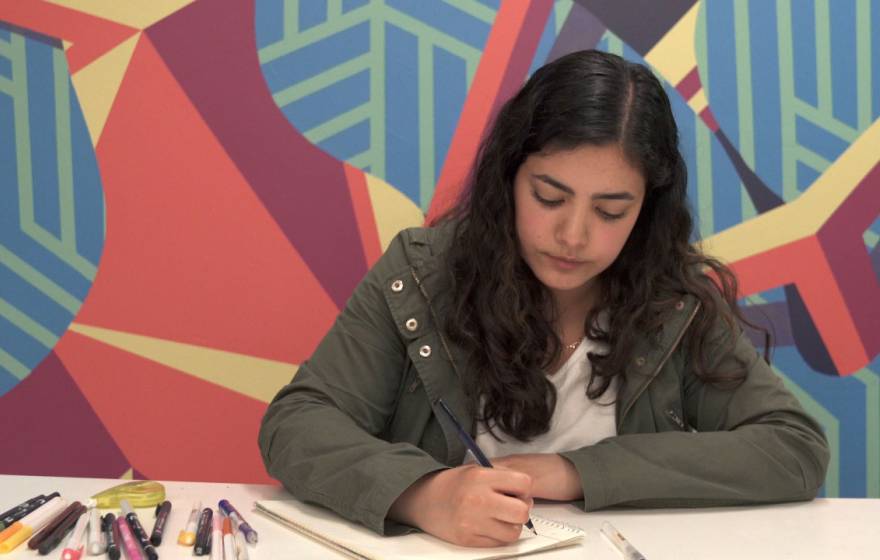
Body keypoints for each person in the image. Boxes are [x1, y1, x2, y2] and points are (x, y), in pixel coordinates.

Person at [258, 49, 829, 548]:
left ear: (647, 210)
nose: (574, 236)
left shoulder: (672, 301)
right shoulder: (421, 274)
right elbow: (297, 425)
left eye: (611, 211)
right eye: (549, 197)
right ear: (508, 177)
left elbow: (793, 448)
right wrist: (423, 496)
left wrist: (573, 472)